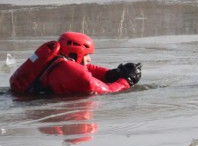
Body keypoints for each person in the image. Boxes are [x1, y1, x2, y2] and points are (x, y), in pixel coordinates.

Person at [8, 31, 142, 96]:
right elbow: (106, 91)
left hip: (17, 96)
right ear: (75, 53)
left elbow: (87, 68)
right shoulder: (70, 70)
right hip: (23, 102)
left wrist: (111, 74)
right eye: (86, 55)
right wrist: (127, 80)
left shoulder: (59, 61)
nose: (89, 59)